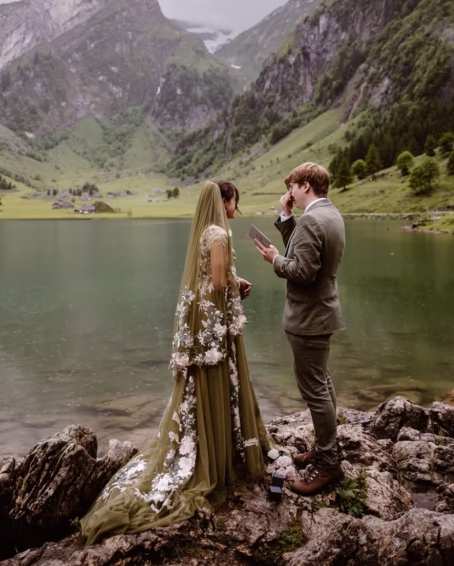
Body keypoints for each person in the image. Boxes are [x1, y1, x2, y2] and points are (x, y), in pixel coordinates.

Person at [80, 180, 273, 544]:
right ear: (225, 200)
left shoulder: (204, 233)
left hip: (202, 317)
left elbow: (207, 278)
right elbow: (217, 281)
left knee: (202, 380)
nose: (236, 209)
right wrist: (236, 283)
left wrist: (232, 279)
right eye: (235, 202)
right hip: (213, 318)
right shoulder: (219, 234)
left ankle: (206, 440)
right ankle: (216, 455)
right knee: (217, 374)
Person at [253, 162, 346, 495]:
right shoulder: (331, 215)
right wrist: (287, 217)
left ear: (305, 186)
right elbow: (307, 251)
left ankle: (329, 464)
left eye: (291, 185)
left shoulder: (312, 220)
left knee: (315, 391)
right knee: (323, 383)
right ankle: (326, 450)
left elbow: (302, 270)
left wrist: (274, 260)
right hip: (324, 312)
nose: (288, 191)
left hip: (307, 318)